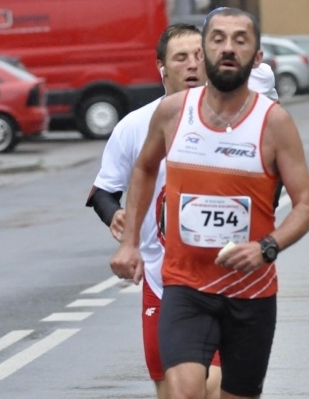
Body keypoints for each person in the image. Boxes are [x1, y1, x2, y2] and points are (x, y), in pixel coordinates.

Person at [110, 7, 309, 399]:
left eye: (240, 40)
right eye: (217, 39)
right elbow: (143, 169)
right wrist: (129, 242)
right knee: (185, 391)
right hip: (186, 285)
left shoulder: (274, 123)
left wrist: (266, 247)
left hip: (250, 292)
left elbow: (307, 205)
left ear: (257, 57)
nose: (228, 48)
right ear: (204, 51)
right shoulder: (172, 113)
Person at [88, 24, 215, 398]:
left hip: (224, 277)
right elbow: (102, 191)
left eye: (199, 56)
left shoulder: (235, 119)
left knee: (216, 387)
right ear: (161, 66)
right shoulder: (134, 126)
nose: (193, 65)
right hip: (163, 280)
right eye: (181, 58)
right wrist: (114, 214)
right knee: (174, 391)